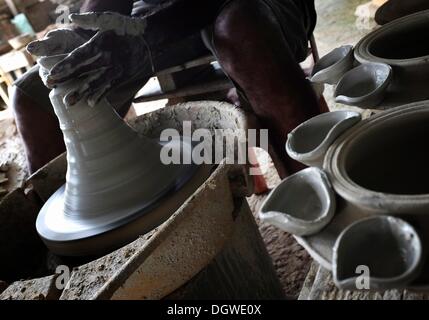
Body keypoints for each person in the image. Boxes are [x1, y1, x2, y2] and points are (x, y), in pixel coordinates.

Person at [13, 0, 327, 178]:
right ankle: (72, 265)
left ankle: (321, 199)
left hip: (250, 4)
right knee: (33, 97)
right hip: (155, 11)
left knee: (242, 30)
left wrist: (151, 35)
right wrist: (84, 33)